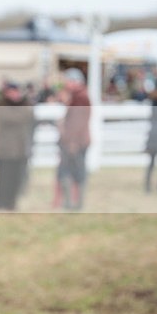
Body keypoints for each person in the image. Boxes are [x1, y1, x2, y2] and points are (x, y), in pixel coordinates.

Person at [54, 68, 91, 210]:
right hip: (75, 141)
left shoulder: (80, 97)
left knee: (72, 172)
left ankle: (74, 203)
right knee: (69, 172)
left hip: (75, 142)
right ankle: (71, 202)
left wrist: (72, 141)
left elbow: (78, 122)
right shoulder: (77, 97)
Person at [0, 83, 34, 210]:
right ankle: (1, 203)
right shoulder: (2, 105)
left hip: (19, 150)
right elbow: (16, 117)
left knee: (16, 179)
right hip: (6, 150)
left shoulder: (21, 105)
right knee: (4, 179)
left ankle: (11, 203)